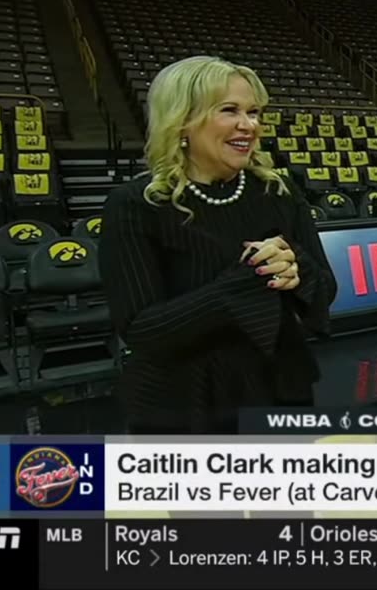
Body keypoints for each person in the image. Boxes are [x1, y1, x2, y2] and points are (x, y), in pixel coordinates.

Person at [100, 56, 336, 433]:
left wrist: (296, 270)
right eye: (230, 110)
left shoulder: (278, 190)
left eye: (253, 112)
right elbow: (142, 331)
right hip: (187, 404)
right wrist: (244, 283)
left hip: (281, 390)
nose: (249, 125)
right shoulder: (136, 204)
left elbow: (325, 289)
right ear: (182, 120)